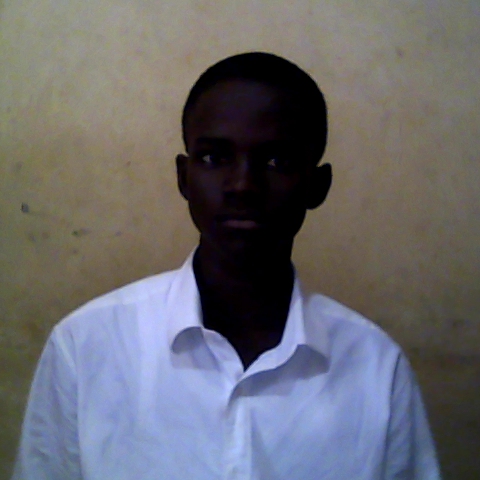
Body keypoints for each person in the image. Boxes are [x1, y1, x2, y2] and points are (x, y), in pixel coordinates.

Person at [13, 52, 440, 479]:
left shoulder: (376, 368)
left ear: (318, 185)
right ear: (183, 177)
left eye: (277, 161)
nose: (242, 186)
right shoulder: (86, 347)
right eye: (214, 158)